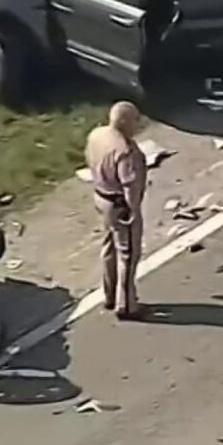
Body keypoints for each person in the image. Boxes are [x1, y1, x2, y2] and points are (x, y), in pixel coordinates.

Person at [85, 101, 148, 320]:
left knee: (108, 248)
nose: (138, 125)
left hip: (100, 197)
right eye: (135, 120)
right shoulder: (125, 151)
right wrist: (134, 212)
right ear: (125, 122)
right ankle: (127, 304)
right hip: (120, 205)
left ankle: (109, 294)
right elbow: (130, 186)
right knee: (128, 255)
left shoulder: (97, 135)